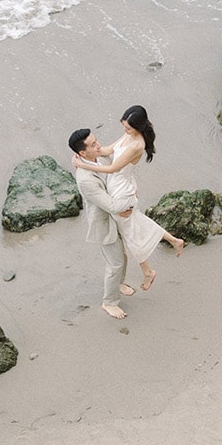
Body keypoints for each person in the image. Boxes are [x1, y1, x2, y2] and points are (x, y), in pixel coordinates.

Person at [72, 105, 184, 291]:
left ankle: (149, 271)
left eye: (128, 128)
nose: (125, 131)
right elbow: (108, 150)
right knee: (135, 224)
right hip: (121, 183)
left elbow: (112, 169)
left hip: (120, 189)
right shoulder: (129, 135)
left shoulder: (137, 145)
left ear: (138, 127)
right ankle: (173, 242)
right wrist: (80, 155)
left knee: (129, 233)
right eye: (124, 127)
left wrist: (84, 166)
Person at [68, 126, 136, 319]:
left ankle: (119, 283)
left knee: (123, 256)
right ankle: (109, 302)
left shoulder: (99, 156)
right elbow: (111, 205)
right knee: (114, 263)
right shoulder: (85, 180)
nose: (99, 145)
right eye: (93, 144)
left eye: (96, 140)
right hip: (105, 223)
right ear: (82, 152)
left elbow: (116, 150)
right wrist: (130, 201)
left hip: (119, 215)